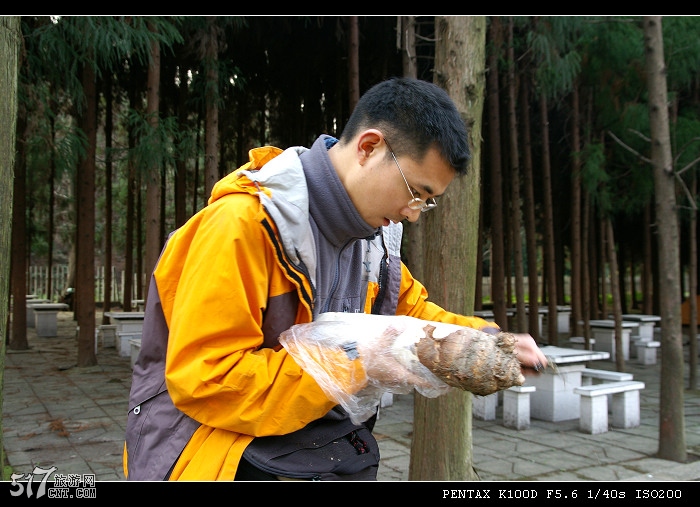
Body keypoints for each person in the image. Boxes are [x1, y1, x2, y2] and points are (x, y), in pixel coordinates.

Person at [123, 77, 548, 481]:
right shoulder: (241, 226)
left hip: (306, 452)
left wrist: (488, 341)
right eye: (415, 191)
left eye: (428, 202)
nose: (414, 212)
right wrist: (353, 364)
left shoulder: (374, 242)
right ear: (369, 147)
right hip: (212, 456)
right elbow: (208, 380)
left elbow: (411, 312)